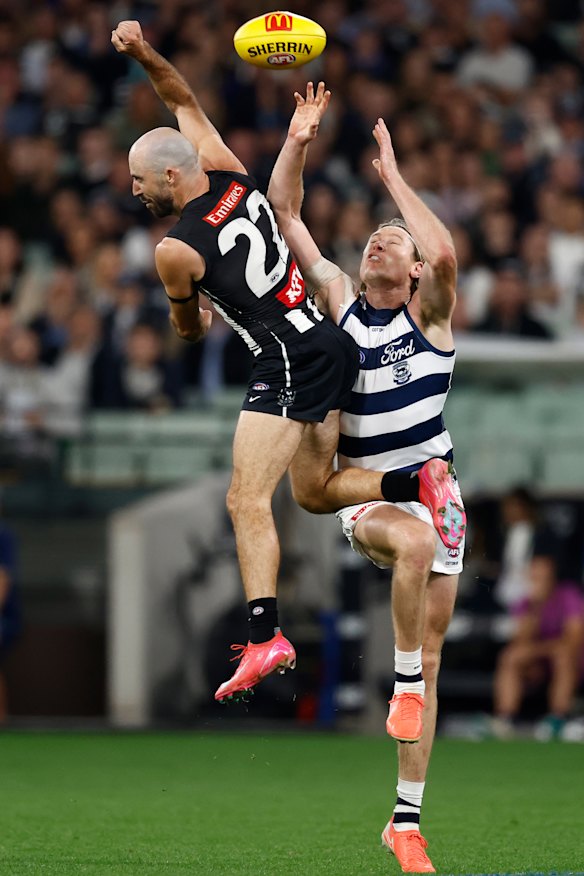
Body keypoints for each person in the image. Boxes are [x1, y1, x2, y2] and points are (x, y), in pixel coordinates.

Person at [110, 23, 461, 709]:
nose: (134, 192)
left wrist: (197, 313)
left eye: (140, 181)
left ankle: (265, 634)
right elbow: (181, 96)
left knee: (245, 498)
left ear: (173, 176)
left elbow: (186, 330)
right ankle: (417, 479)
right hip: (325, 342)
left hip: (287, 360)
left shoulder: (173, 251)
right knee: (310, 493)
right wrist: (146, 52)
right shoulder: (229, 171)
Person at [267, 82, 466, 874]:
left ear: (415, 270)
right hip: (370, 493)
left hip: (441, 491)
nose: (377, 244)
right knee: (413, 545)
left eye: (393, 241)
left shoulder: (433, 316)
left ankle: (406, 822)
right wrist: (298, 139)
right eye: (374, 237)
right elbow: (287, 215)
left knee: (439, 639)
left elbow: (447, 252)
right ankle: (403, 683)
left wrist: (392, 181)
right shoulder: (343, 300)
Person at [492, 553, 584, 741]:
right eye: (533, 576)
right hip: (542, 663)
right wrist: (535, 607)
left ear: (552, 577)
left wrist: (539, 651)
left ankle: (558, 718)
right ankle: (505, 719)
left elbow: (574, 639)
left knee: (562, 655)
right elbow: (520, 642)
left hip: (574, 662)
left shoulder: (568, 595)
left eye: (541, 576)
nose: (536, 580)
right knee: (511, 656)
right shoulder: (527, 603)